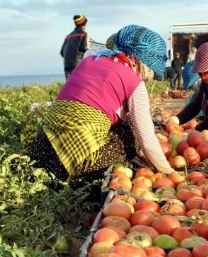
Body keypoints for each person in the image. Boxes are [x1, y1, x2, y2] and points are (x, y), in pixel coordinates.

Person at [29, 24, 175, 189]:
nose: (149, 78)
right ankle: (83, 180)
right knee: (131, 136)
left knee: (118, 124)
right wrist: (169, 174)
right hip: (76, 161)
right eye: (151, 71)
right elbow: (146, 139)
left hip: (43, 151)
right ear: (141, 60)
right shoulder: (133, 81)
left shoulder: (89, 61)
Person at [60, 14, 90, 79]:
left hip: (67, 65)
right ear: (84, 24)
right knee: (79, 84)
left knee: (69, 84)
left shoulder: (68, 36)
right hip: (77, 65)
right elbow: (84, 48)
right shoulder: (84, 34)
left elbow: (62, 53)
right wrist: (89, 46)